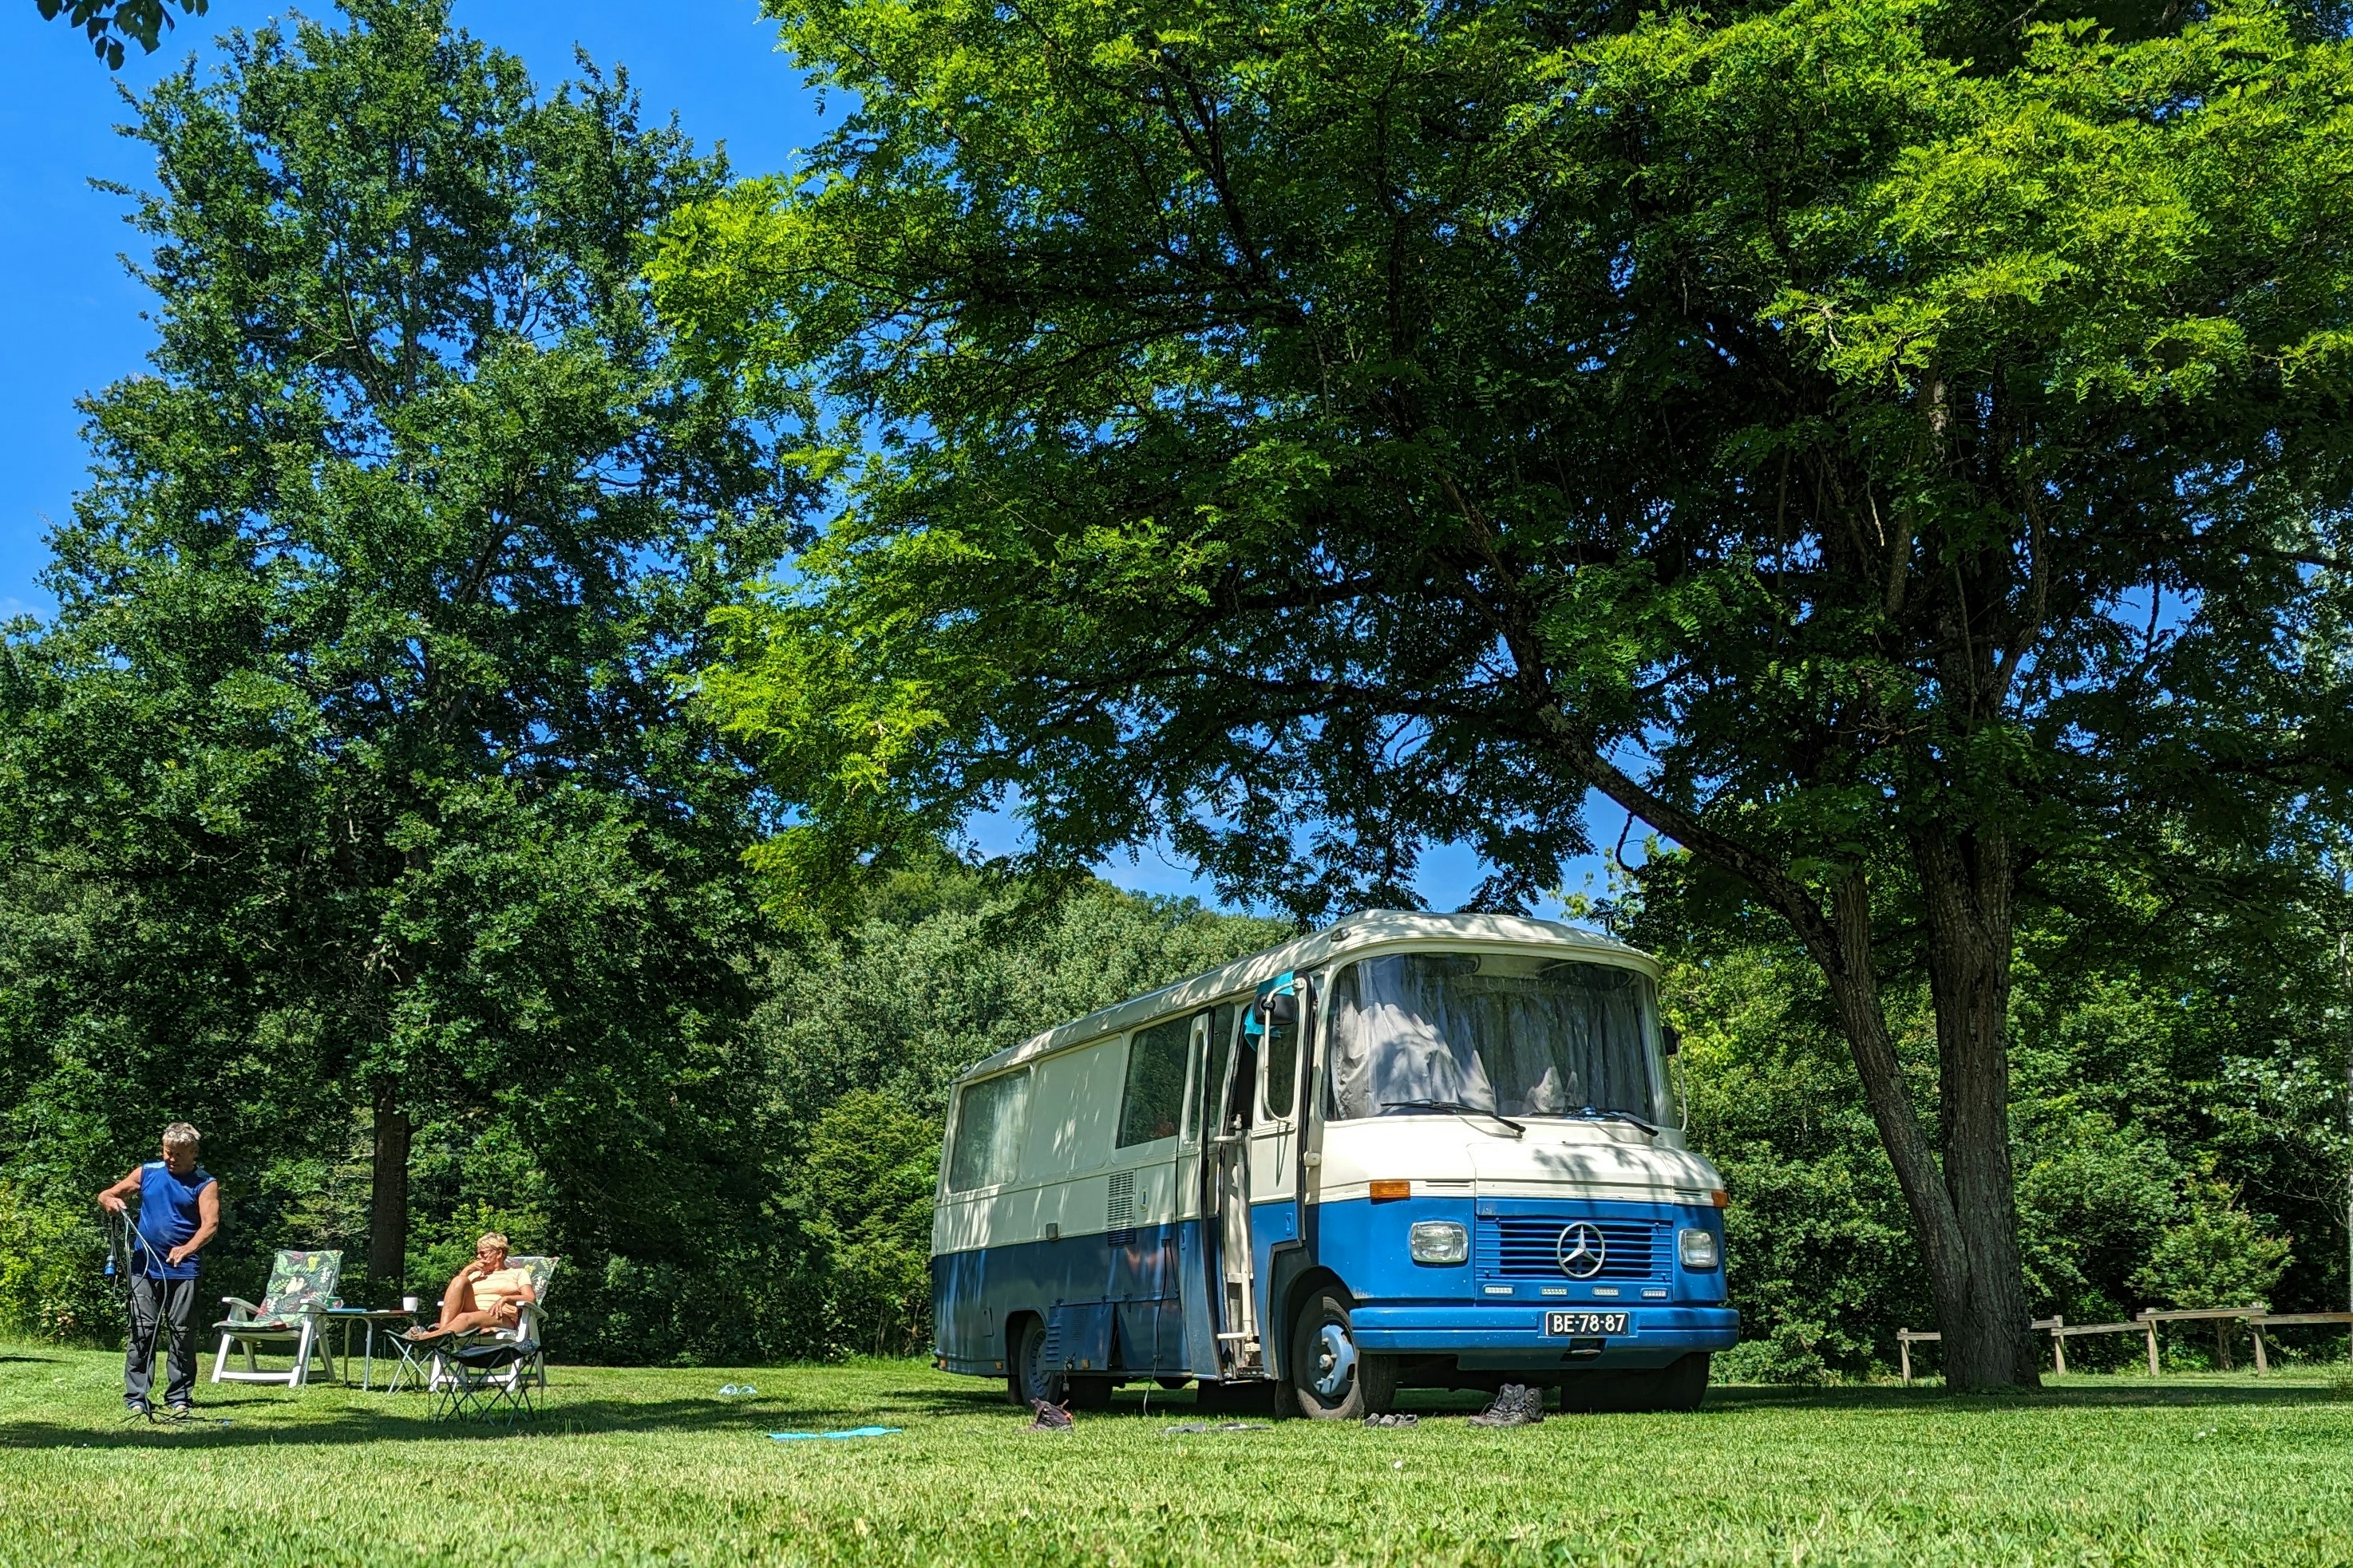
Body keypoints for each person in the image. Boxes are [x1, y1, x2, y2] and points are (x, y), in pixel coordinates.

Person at [96, 1123, 220, 1418]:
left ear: (193, 1152)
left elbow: (211, 1225)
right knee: (142, 1330)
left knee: (182, 1333)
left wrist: (187, 1248)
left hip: (183, 1269)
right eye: (167, 1152)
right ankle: (136, 1397)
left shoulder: (205, 1183)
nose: (171, 1158)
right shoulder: (147, 1172)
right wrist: (110, 1200)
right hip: (144, 1267)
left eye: (178, 1153)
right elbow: (108, 1194)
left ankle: (180, 1397)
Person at [409, 1232, 535, 1338]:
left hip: (500, 1316)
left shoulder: (517, 1273)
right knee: (460, 1281)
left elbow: (531, 1298)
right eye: (478, 1253)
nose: (478, 1256)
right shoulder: (475, 1275)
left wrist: (506, 1299)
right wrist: (467, 1270)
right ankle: (443, 1332)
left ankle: (431, 1337)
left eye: (483, 1253)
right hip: (472, 1313)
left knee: (464, 1318)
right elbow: (455, 1293)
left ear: (499, 1253)